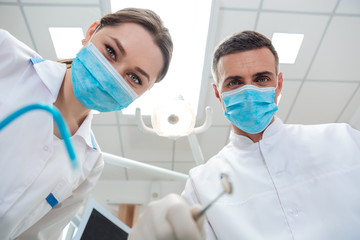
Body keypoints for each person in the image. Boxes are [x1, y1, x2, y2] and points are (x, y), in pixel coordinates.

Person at [0, 7, 203, 240]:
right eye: (111, 51)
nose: (113, 74)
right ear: (91, 32)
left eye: (135, 78)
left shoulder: (90, 164)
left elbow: (38, 236)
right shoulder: (6, 54)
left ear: (142, 93)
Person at [181, 30, 360, 239]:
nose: (249, 92)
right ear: (218, 93)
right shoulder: (201, 185)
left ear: (278, 84)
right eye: (235, 82)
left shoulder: (343, 141)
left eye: (262, 79)